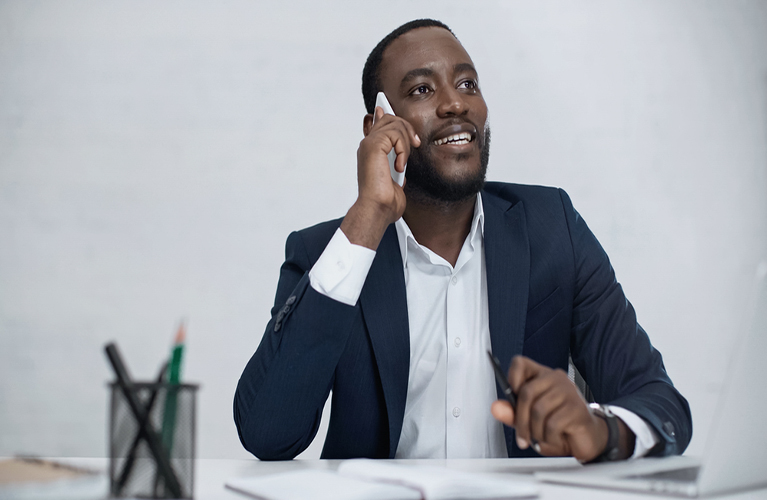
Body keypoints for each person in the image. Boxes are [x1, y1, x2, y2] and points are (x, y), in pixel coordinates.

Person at [234, 19, 691, 462]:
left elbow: (660, 404)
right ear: (379, 124)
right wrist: (368, 217)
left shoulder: (553, 229)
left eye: (468, 84)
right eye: (422, 90)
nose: (456, 104)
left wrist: (600, 429)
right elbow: (268, 433)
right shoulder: (329, 254)